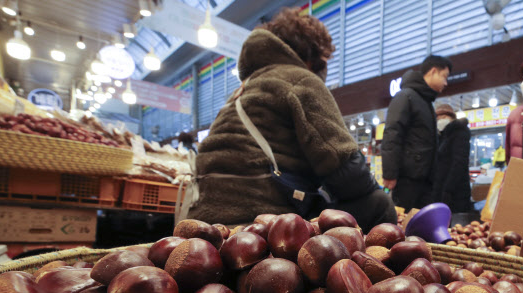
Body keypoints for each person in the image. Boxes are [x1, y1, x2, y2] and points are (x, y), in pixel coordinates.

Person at [186, 8, 396, 232]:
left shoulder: (241, 91)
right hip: (265, 222)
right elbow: (349, 176)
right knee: (379, 204)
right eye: (322, 64)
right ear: (312, 58)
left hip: (206, 222)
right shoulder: (299, 79)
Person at [381, 55, 453, 210]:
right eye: (444, 76)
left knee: (420, 227)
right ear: (433, 71)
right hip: (407, 180)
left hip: (425, 181)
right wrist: (390, 174)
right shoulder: (405, 96)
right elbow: (392, 134)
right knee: (403, 227)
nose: (446, 83)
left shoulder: (426, 102)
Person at [431, 104, 472, 213]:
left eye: (443, 117)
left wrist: (448, 189)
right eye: (438, 118)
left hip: (456, 191)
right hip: (442, 189)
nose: (440, 120)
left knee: (457, 226)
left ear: (451, 118)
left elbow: (460, 162)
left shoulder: (460, 132)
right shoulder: (442, 135)